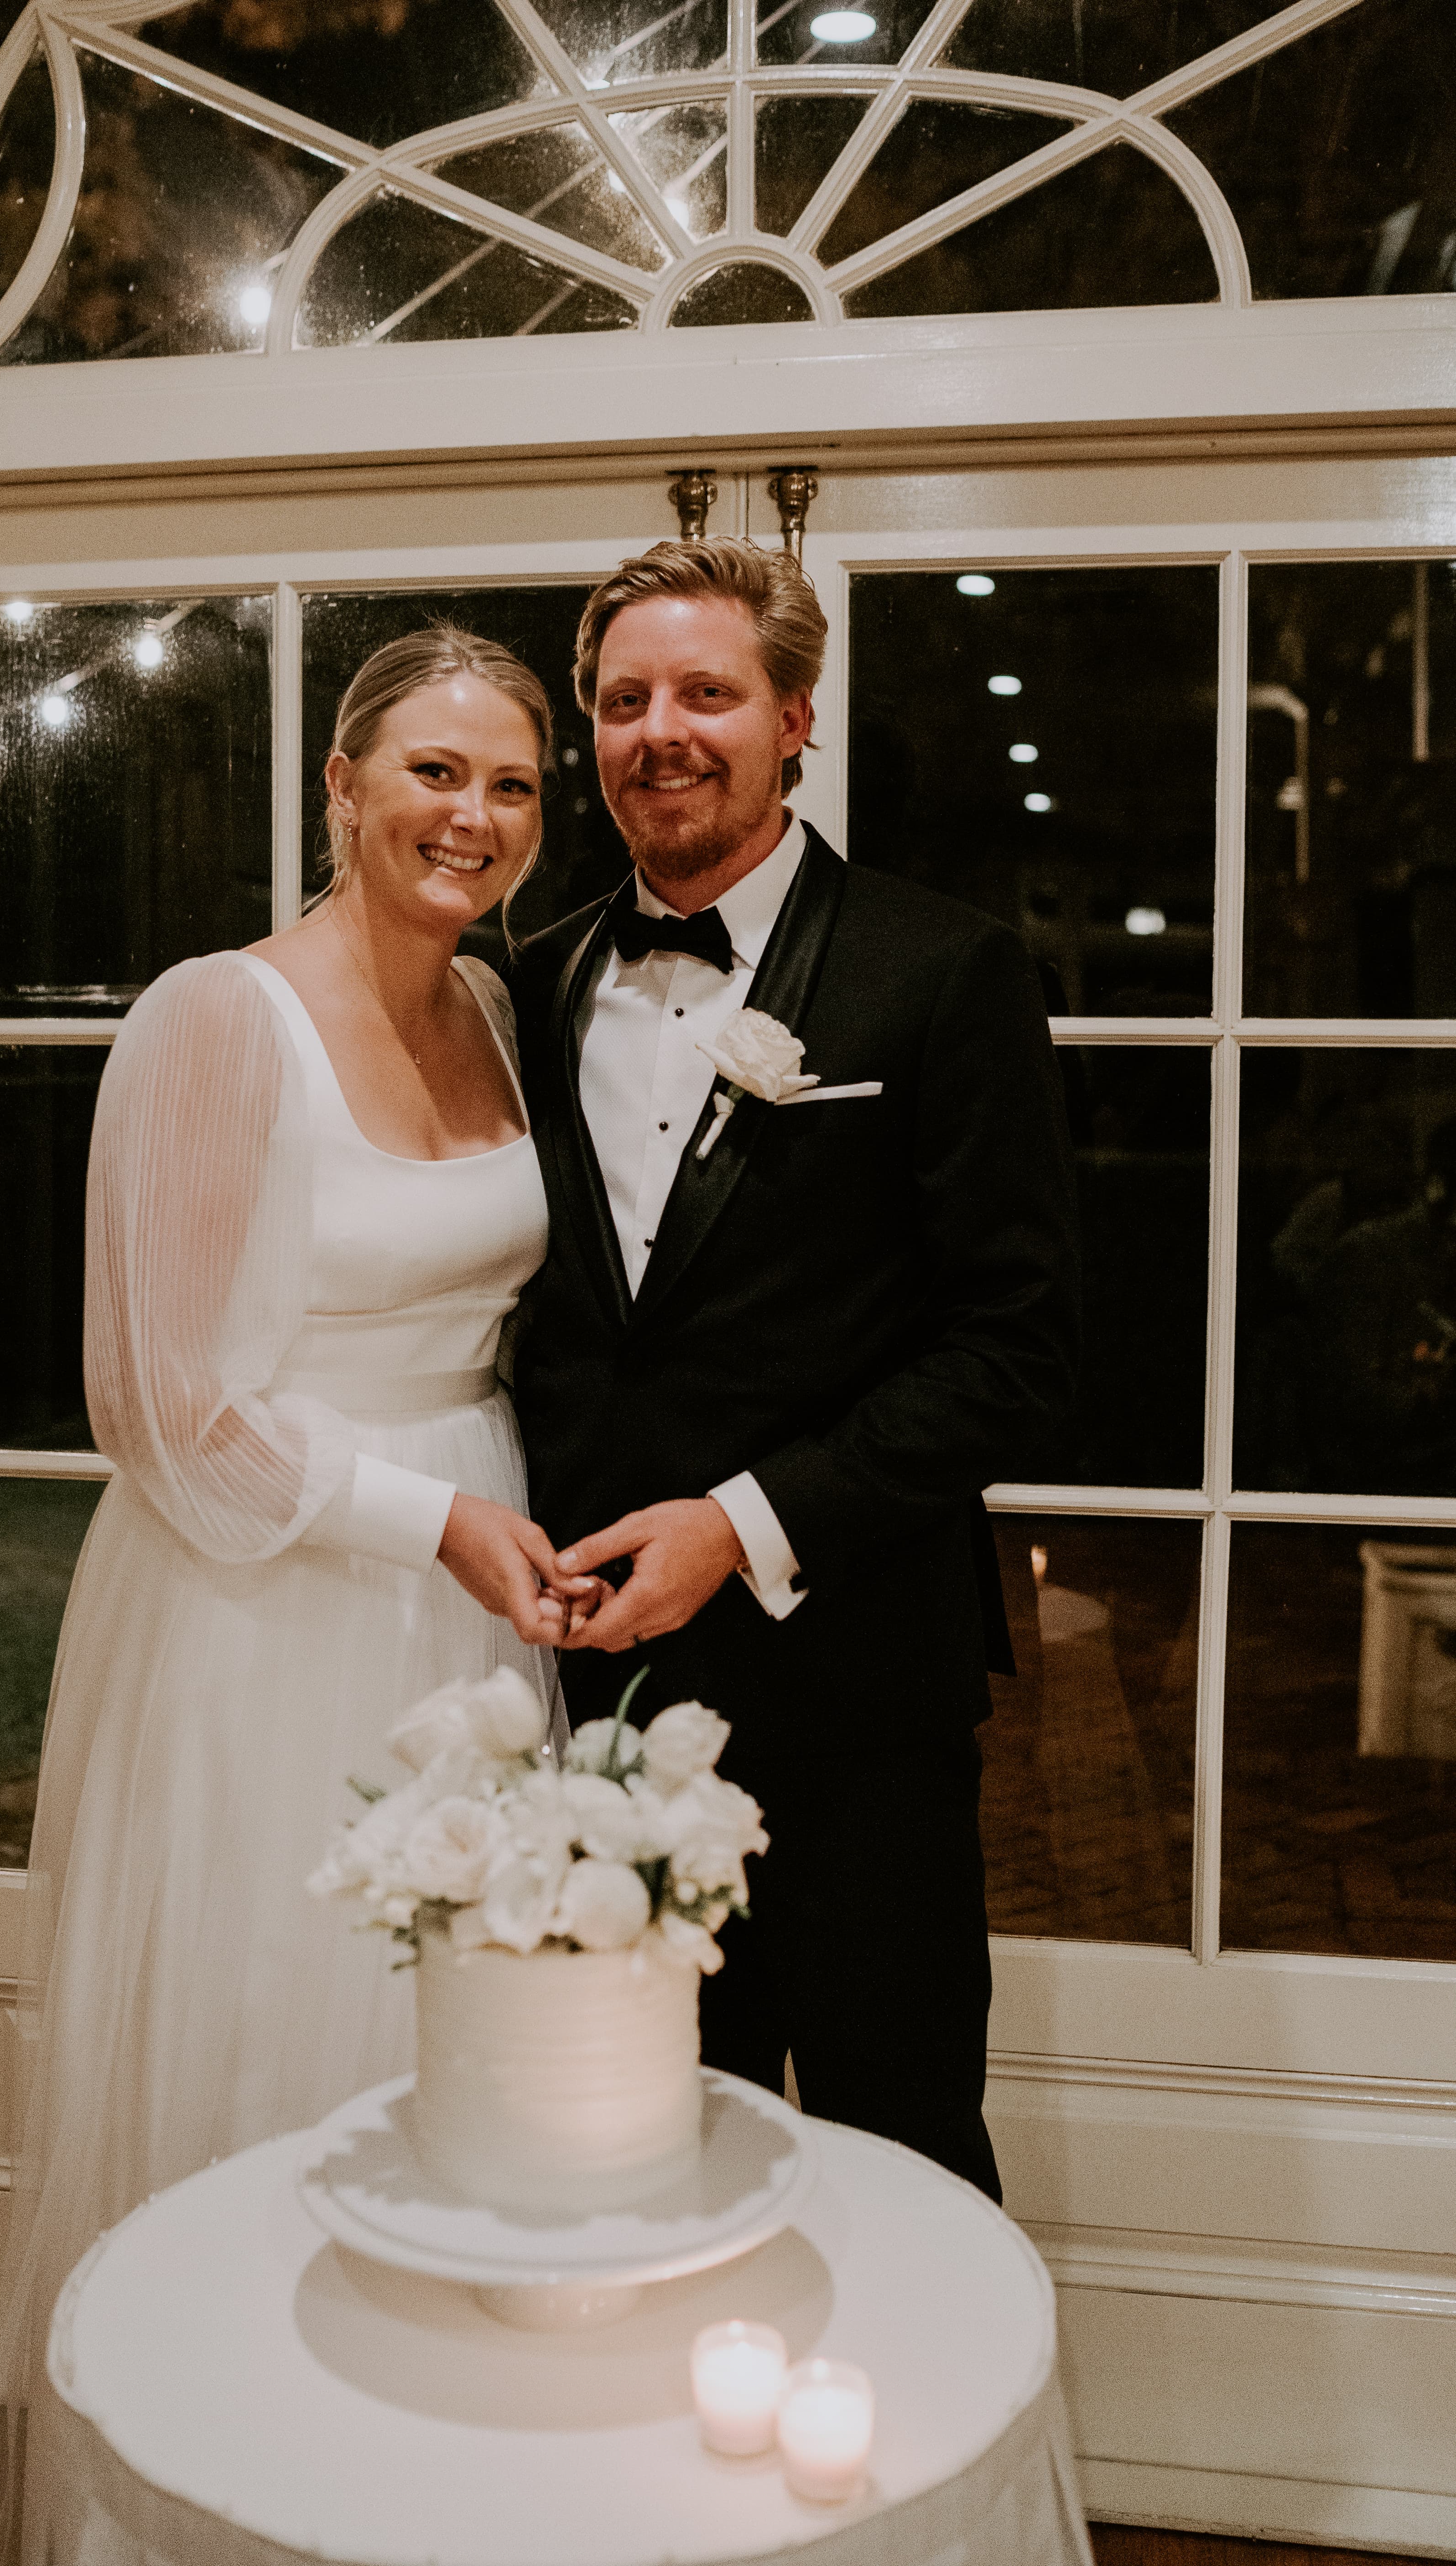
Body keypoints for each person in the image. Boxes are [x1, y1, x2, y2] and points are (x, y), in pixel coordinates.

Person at [0, 626, 590, 2565]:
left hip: (476, 1587)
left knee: (454, 2058)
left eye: (510, 786)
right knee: (266, 2050)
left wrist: (492, 1536)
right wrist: (429, 1526)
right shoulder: (216, 1019)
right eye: (433, 773)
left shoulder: (491, 1003)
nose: (472, 816)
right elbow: (157, 1405)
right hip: (270, 1599)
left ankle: (419, 2502)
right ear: (340, 786)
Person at [510, 538, 1081, 2200]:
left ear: (794, 719)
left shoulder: (941, 969)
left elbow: (1020, 1353)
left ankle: (919, 2468)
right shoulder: (531, 981)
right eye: (624, 699)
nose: (659, 731)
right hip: (601, 1696)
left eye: (706, 690)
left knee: (894, 2148)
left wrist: (744, 1522)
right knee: (637, 2147)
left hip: (853, 1691)